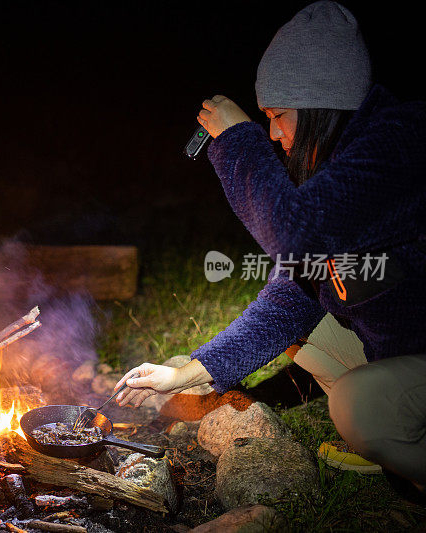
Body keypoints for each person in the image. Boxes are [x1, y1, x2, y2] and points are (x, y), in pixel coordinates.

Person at [115, 0, 426, 494]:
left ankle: (395, 441)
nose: (275, 135)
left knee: (357, 407)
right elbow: (291, 295)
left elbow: (293, 235)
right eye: (264, 119)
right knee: (310, 331)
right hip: (406, 339)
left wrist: (239, 137)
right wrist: (192, 372)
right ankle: (397, 433)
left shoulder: (402, 144)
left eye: (279, 115)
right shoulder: (343, 158)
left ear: (325, 107)